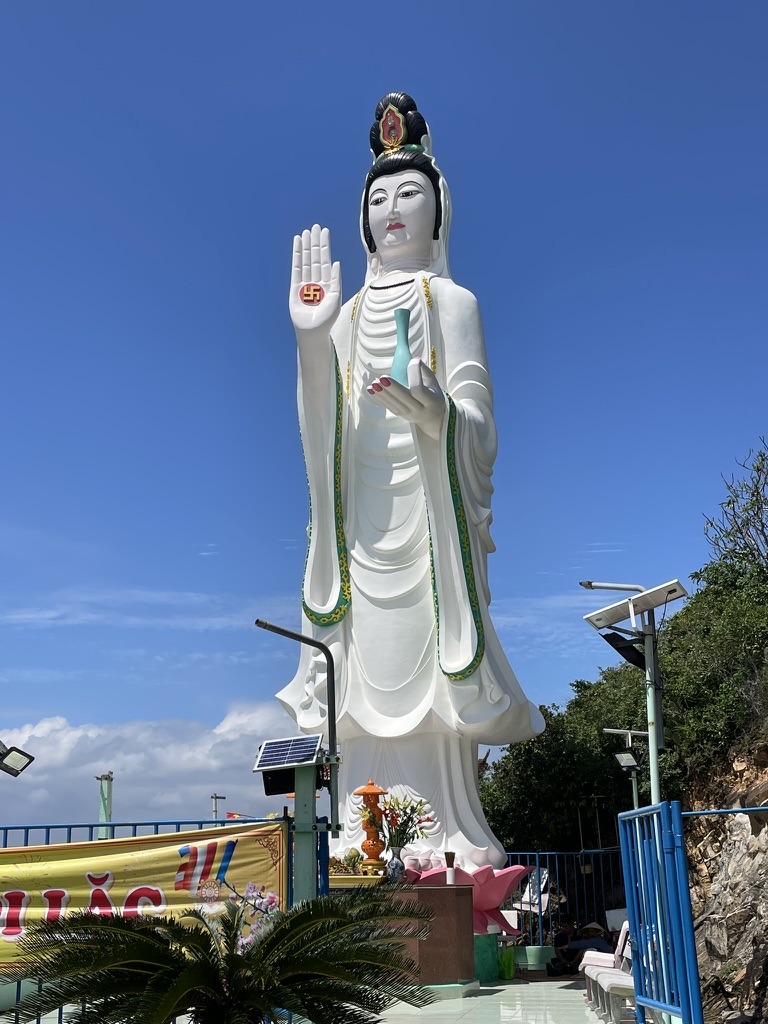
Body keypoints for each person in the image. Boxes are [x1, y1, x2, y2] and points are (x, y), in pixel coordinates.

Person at [277, 92, 544, 868]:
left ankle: (451, 833)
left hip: (432, 524)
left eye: (410, 193)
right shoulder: (349, 310)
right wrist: (311, 345)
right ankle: (360, 841)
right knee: (357, 680)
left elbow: (483, 428)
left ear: (439, 211)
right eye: (380, 196)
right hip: (361, 519)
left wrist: (440, 417)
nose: (393, 208)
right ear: (364, 218)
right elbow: (319, 422)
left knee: (432, 676)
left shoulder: (454, 302)